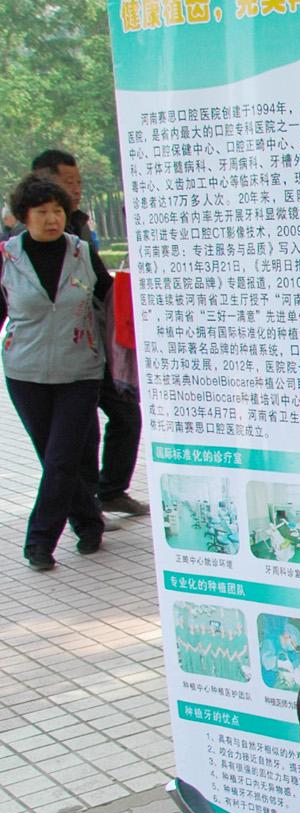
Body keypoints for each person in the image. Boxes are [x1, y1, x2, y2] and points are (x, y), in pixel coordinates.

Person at [2, 173, 111, 571]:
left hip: (80, 370)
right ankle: (88, 522)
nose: (52, 219)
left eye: (58, 211)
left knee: (63, 457)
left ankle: (39, 542)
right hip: (24, 373)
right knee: (54, 459)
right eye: (42, 212)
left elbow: (109, 302)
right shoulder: (7, 258)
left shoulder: (82, 252)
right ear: (22, 216)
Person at [30, 149, 148, 518]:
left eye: (79, 183)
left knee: (125, 415)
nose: (77, 190)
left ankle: (108, 493)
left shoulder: (79, 233)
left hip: (97, 347)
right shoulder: (19, 250)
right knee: (74, 443)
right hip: (49, 364)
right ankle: (83, 516)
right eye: (69, 183)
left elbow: (101, 287)